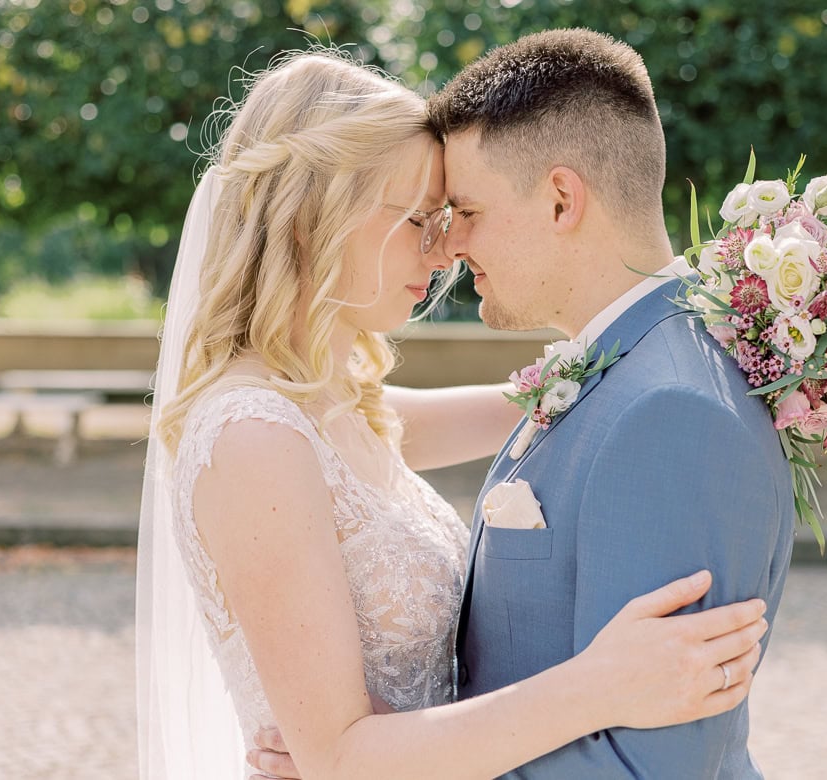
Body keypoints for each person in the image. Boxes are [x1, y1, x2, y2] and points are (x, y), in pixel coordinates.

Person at [136, 50, 769, 779]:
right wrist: (601, 686)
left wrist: (705, 341)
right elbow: (341, 759)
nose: (444, 252)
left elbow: (544, 400)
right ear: (316, 217)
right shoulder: (252, 439)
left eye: (452, 216)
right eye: (420, 220)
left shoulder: (337, 404)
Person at [420, 29, 795, 777]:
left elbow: (651, 764)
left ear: (562, 199)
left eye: (467, 210)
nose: (450, 244)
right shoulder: (624, 365)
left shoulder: (674, 411)